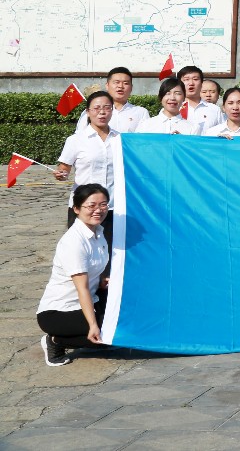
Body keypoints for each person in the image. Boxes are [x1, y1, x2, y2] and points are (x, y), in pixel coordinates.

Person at [37, 183, 111, 367]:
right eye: (91, 205)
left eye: (103, 205)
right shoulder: (74, 242)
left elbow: (94, 269)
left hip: (90, 300)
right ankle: (55, 341)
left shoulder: (99, 232)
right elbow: (82, 288)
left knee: (125, 316)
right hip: (59, 312)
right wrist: (93, 325)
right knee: (112, 333)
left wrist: (101, 280)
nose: (98, 210)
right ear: (76, 209)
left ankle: (96, 333)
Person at [54, 91, 119, 244]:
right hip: (84, 206)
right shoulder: (76, 140)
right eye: (96, 108)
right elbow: (64, 168)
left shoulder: (120, 139)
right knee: (81, 249)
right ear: (88, 112)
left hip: (111, 207)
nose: (102, 112)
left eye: (107, 108)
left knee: (111, 251)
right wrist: (61, 174)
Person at [75, 67, 147, 133]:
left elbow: (144, 139)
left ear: (131, 87)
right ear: (107, 85)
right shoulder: (93, 111)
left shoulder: (141, 112)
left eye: (126, 83)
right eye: (116, 82)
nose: (120, 86)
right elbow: (80, 136)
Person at [176, 65, 223, 133]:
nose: (191, 83)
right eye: (186, 79)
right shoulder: (174, 108)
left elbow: (223, 133)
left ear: (201, 83)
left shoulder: (214, 110)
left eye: (195, 79)